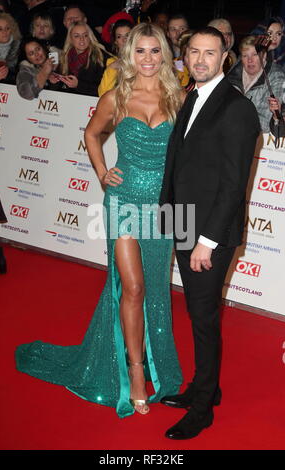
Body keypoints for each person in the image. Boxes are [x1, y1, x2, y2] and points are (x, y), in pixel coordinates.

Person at [15, 22, 183, 418]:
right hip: (123, 202)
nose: (146, 59)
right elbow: (92, 134)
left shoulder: (178, 97)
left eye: (154, 51)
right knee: (134, 287)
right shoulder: (116, 97)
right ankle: (136, 374)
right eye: (139, 51)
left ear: (164, 54)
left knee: (156, 288)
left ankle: (150, 359)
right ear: (129, 55)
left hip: (162, 207)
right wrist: (102, 172)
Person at [159, 26, 260, 439]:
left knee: (203, 319)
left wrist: (208, 241)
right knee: (197, 312)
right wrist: (169, 222)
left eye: (209, 53)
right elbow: (178, 164)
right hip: (184, 223)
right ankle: (207, 388)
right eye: (194, 52)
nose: (200, 59)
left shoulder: (236, 108)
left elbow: (234, 184)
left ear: (224, 59)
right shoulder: (192, 97)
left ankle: (202, 409)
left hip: (208, 235)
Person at [227, 35, 285, 133]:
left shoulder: (276, 77)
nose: (250, 60)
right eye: (245, 56)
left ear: (264, 56)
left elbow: (264, 123)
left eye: (254, 54)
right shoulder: (233, 74)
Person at [58, 21, 105, 97]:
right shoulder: (65, 57)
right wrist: (54, 80)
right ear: (70, 39)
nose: (82, 39)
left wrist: (79, 85)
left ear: (90, 37)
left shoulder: (100, 57)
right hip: (69, 102)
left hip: (92, 104)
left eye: (85, 35)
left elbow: (104, 89)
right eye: (76, 36)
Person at [98, 18, 134, 96]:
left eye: (127, 35)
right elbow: (102, 94)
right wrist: (112, 67)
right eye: (119, 37)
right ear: (115, 41)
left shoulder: (144, 59)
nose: (124, 40)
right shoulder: (111, 62)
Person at [0, 12, 21, 84]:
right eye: (0, 29)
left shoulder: (21, 47)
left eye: (7, 28)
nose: (5, 32)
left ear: (12, 29)